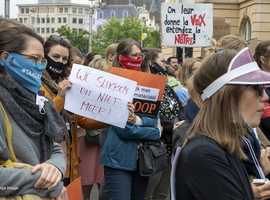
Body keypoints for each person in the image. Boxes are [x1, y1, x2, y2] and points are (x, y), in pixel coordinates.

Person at [175, 48, 270, 199]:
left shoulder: (225, 143)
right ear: (226, 94)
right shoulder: (204, 152)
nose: (265, 96)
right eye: (256, 87)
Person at [0, 26, 67, 199]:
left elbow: (54, 148)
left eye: (42, 61)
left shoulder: (36, 100)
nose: (39, 67)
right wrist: (46, 183)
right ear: (7, 58)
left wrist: (54, 167)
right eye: (34, 59)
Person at [41, 35, 110, 186]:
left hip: (69, 164)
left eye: (65, 59)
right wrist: (60, 97)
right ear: (44, 56)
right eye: (55, 56)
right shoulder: (36, 83)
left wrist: (114, 117)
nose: (60, 61)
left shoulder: (65, 83)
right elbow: (44, 118)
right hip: (48, 165)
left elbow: (83, 121)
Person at [99, 39, 163, 200]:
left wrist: (137, 121)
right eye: (134, 55)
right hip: (118, 160)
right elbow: (124, 130)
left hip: (143, 159)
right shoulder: (112, 84)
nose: (138, 59)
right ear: (122, 58)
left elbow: (154, 118)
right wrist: (155, 133)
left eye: (140, 55)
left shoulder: (150, 82)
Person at [141, 48, 186, 200]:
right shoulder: (144, 86)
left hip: (171, 144)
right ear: (151, 63)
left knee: (162, 192)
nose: (165, 65)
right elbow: (151, 112)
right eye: (162, 61)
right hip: (155, 146)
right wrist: (170, 126)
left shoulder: (165, 85)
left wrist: (182, 121)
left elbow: (179, 106)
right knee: (147, 191)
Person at [78, 58, 105, 200]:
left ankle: (90, 198)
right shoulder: (84, 89)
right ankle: (87, 198)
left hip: (97, 135)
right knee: (88, 171)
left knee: (99, 172)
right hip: (87, 135)